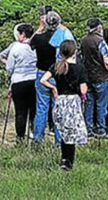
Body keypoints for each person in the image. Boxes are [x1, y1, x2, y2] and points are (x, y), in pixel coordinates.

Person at [40, 40, 88, 171]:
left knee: (63, 131)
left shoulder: (56, 66)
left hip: (60, 100)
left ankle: (64, 159)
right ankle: (69, 162)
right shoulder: (80, 68)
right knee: (71, 133)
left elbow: (42, 79)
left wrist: (53, 88)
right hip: (73, 101)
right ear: (74, 52)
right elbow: (83, 89)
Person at [30, 10, 64, 144]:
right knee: (58, 109)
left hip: (41, 74)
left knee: (41, 109)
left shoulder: (39, 38)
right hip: (58, 74)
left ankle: (38, 139)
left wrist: (40, 28)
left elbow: (30, 43)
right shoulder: (61, 38)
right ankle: (59, 140)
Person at [79, 17, 108, 139]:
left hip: (88, 77)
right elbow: (107, 61)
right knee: (101, 104)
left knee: (89, 104)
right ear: (99, 27)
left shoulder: (83, 40)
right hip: (100, 77)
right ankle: (100, 129)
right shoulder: (100, 41)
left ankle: (87, 129)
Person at [3, 23, 37, 142]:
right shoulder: (36, 46)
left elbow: (9, 68)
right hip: (34, 81)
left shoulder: (16, 48)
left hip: (19, 82)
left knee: (20, 111)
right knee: (34, 110)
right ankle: (34, 134)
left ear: (22, 34)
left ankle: (20, 137)